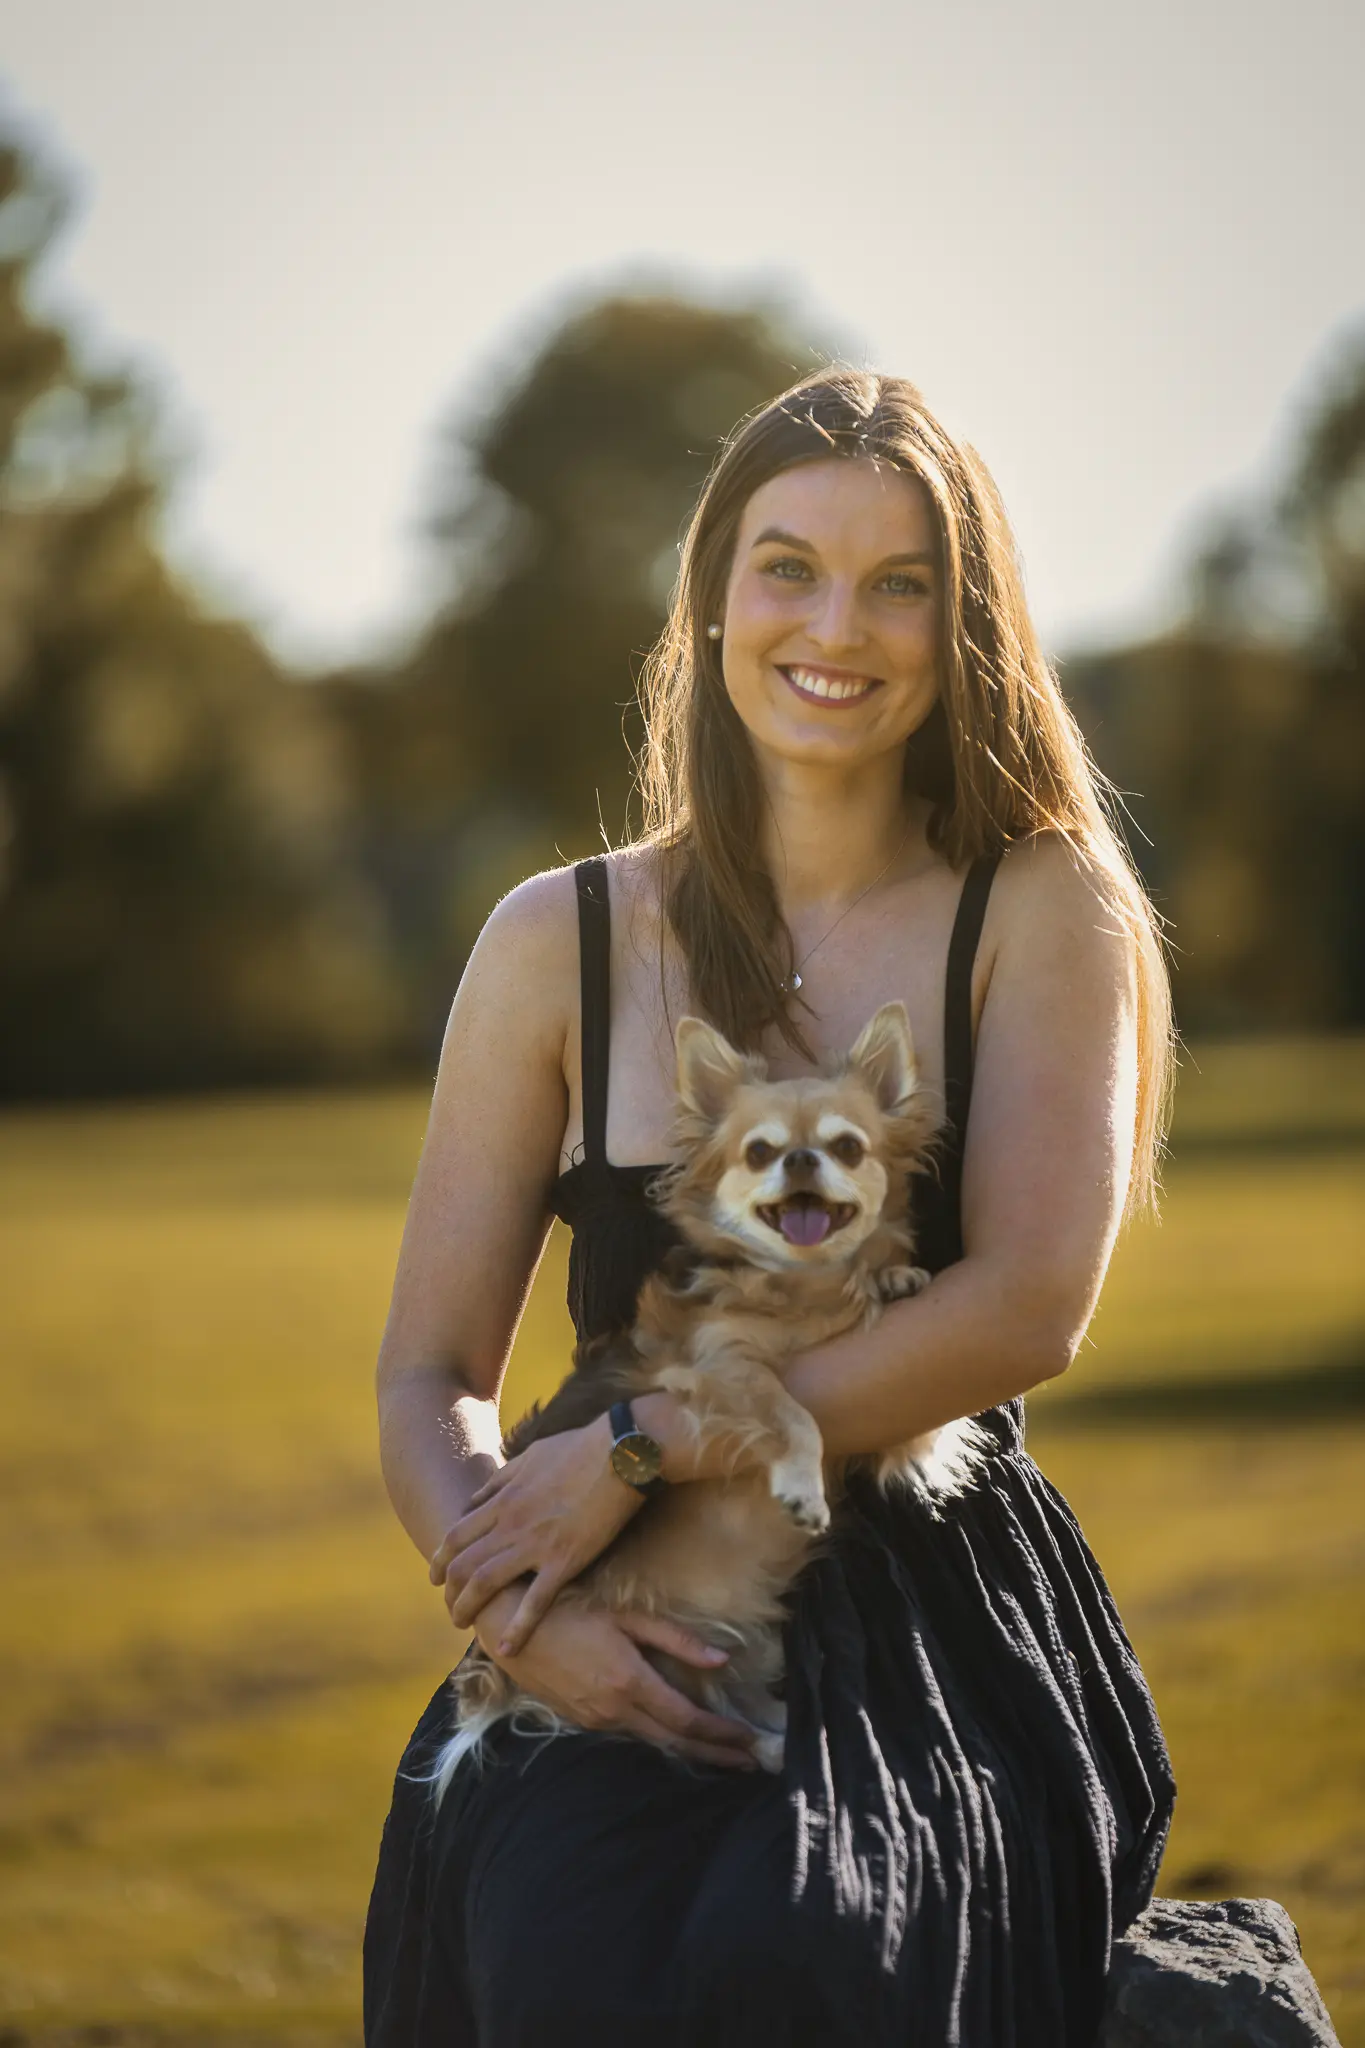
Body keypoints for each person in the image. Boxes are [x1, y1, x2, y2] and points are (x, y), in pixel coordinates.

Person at [363, 369, 1176, 2047]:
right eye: (787, 566)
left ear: (964, 629)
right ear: (714, 602)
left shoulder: (1042, 906)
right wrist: (531, 1616)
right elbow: (427, 1368)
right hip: (614, 1616)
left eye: (901, 584)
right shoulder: (557, 941)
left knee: (808, 1962)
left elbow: (1031, 1301)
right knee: (567, 1980)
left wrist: (654, 1441)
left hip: (929, 1615)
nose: (838, 625)